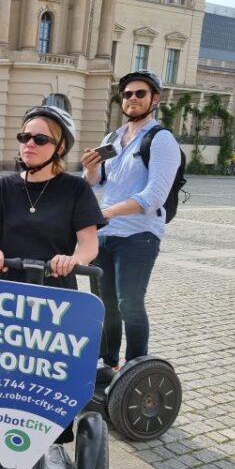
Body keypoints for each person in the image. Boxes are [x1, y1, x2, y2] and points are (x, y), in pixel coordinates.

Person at [0, 105, 105, 469]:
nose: (29, 144)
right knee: (5, 365)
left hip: (56, 294)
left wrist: (72, 259)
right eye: (24, 137)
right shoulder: (4, 187)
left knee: (53, 371)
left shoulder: (75, 189)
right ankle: (2, 430)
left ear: (59, 147)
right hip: (8, 292)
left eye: (39, 138)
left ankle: (54, 442)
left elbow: (89, 243)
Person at [81, 69, 180, 374]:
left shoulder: (161, 140)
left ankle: (137, 369)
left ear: (155, 99)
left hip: (140, 236)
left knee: (130, 305)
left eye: (140, 93)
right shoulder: (112, 137)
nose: (132, 99)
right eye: (127, 94)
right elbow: (98, 184)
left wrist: (108, 213)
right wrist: (90, 169)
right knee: (105, 303)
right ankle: (109, 361)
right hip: (106, 235)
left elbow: (153, 197)